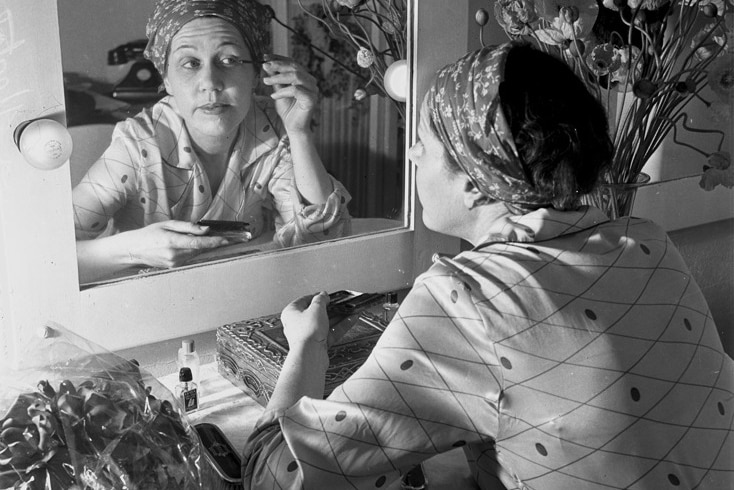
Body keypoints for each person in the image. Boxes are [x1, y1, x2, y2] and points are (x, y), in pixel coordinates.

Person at [240, 42, 734, 489]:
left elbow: (278, 473)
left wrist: (308, 347)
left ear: (476, 184)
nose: (410, 153)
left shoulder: (468, 299)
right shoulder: (646, 242)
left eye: (426, 144)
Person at [72, 0, 351, 283]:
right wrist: (132, 250)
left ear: (257, 73)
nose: (210, 82)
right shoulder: (137, 147)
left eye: (229, 60)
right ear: (166, 79)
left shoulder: (271, 127)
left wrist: (299, 133)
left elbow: (324, 246)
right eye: (190, 63)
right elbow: (48, 259)